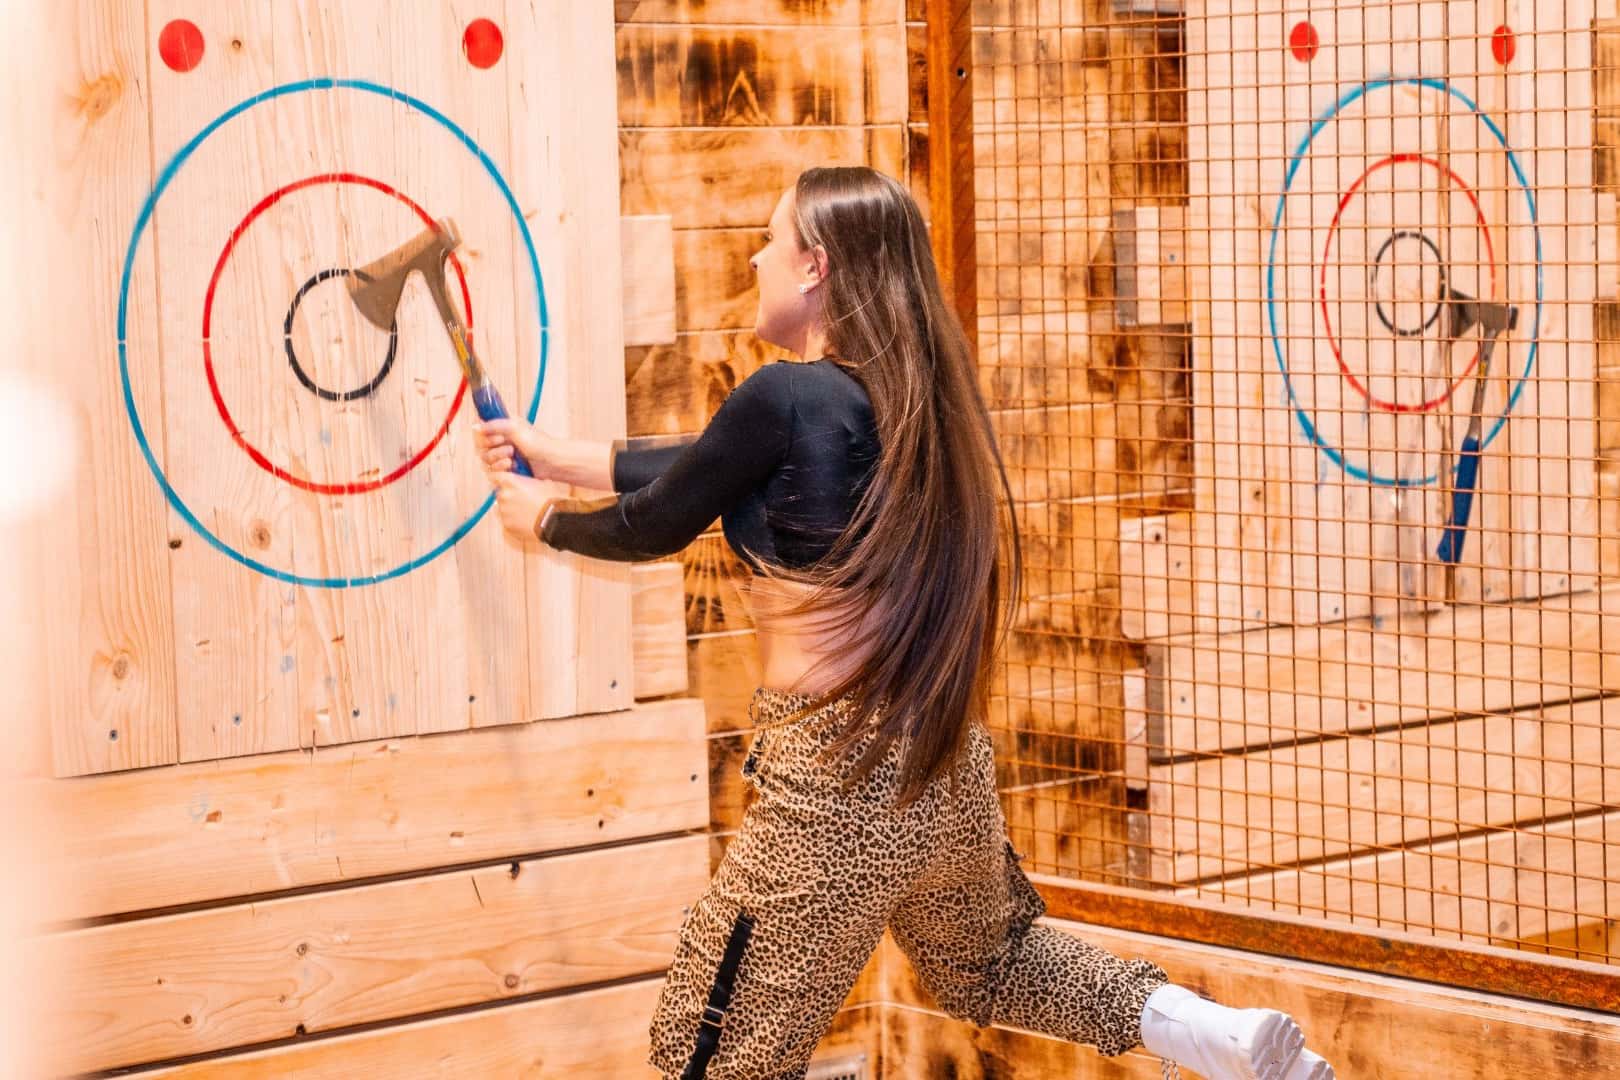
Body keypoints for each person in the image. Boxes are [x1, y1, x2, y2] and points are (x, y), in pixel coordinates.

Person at [473, 167, 1333, 1080]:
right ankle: (1213, 1037)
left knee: (712, 1047)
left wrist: (544, 522)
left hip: (833, 783)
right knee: (995, 966)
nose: (755, 257)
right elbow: (710, 462)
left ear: (814, 267)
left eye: (771, 240)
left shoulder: (786, 395)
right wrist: (553, 452)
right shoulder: (912, 403)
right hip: (940, 767)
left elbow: (661, 517)